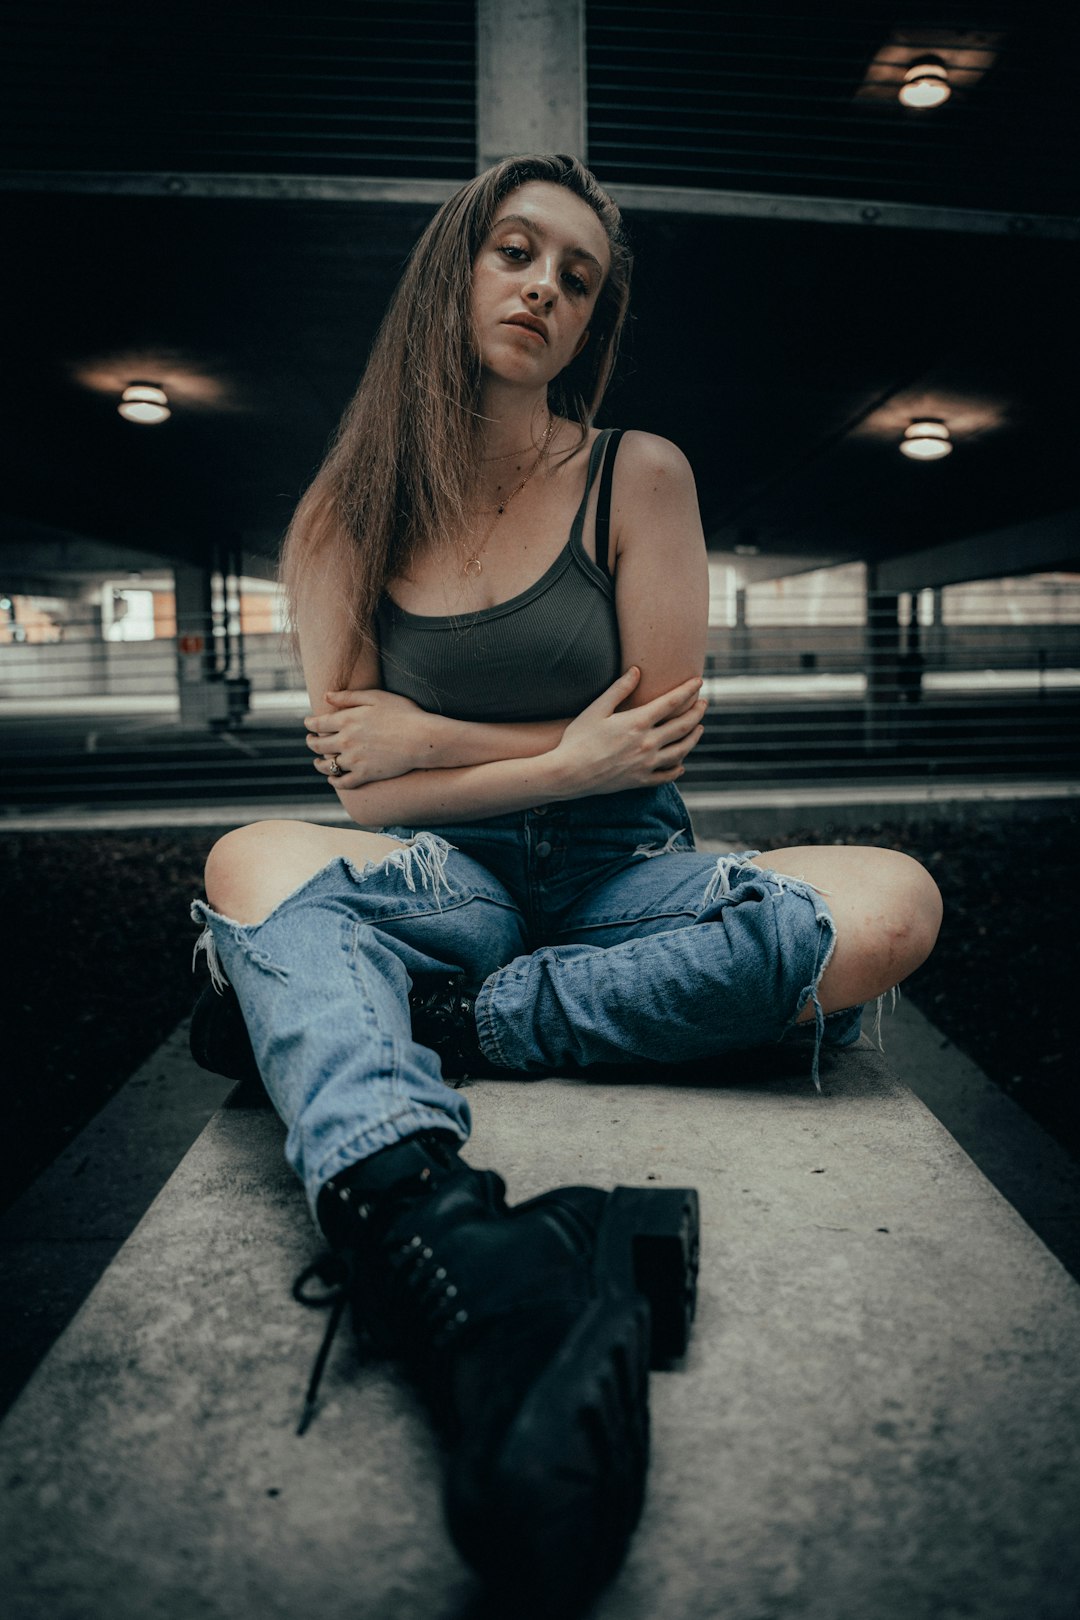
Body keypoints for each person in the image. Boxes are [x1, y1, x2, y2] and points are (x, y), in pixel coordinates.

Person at [191, 153, 942, 1612]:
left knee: (891, 908)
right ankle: (431, 1219)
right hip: (449, 876)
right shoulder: (341, 518)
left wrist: (441, 738)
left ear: (591, 320)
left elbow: (651, 739)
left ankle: (456, 1021)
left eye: (576, 276)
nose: (542, 287)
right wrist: (537, 761)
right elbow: (362, 789)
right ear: (455, 272)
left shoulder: (633, 473)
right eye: (516, 252)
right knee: (252, 858)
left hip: (627, 877)